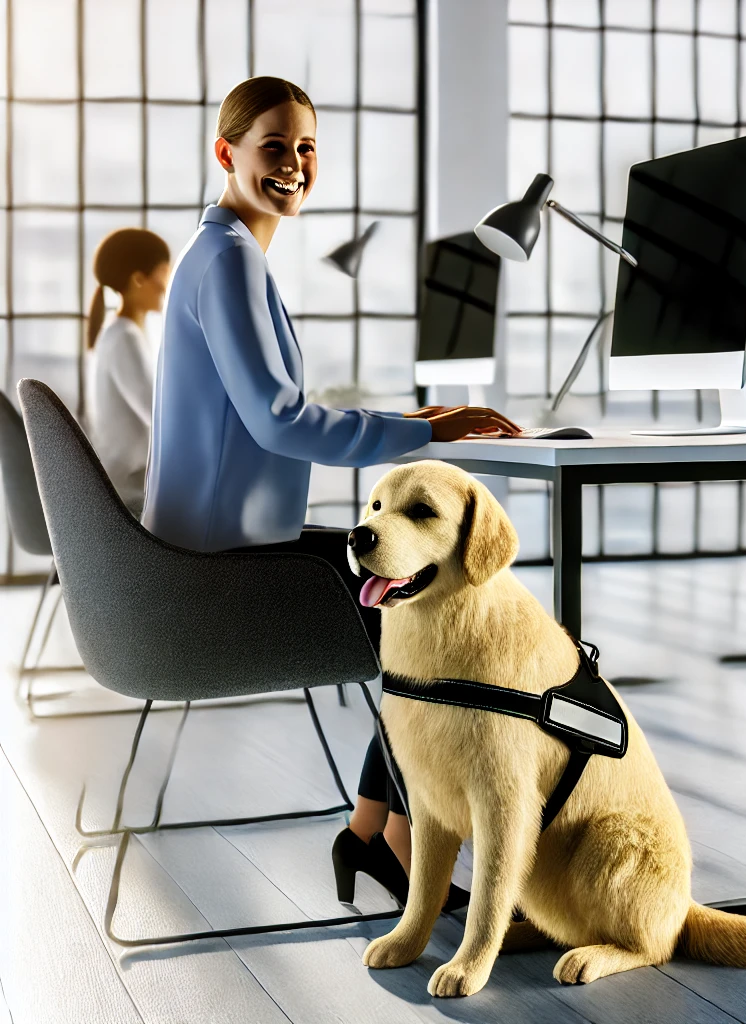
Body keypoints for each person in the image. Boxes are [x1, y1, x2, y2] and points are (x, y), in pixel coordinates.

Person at [141, 76, 519, 898]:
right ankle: (408, 843)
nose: (293, 163)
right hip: (220, 575)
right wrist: (426, 433)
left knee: (413, 597)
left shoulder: (222, 253)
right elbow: (282, 422)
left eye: (306, 146)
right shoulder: (228, 259)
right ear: (226, 154)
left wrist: (418, 420)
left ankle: (372, 832)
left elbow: (276, 415)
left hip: (213, 553)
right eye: (273, 145)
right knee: (438, 622)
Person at [85, 228, 171, 516]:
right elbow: (158, 411)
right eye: (163, 274)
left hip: (131, 482)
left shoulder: (121, 332)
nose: (168, 284)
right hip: (130, 492)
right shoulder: (124, 337)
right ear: (138, 279)